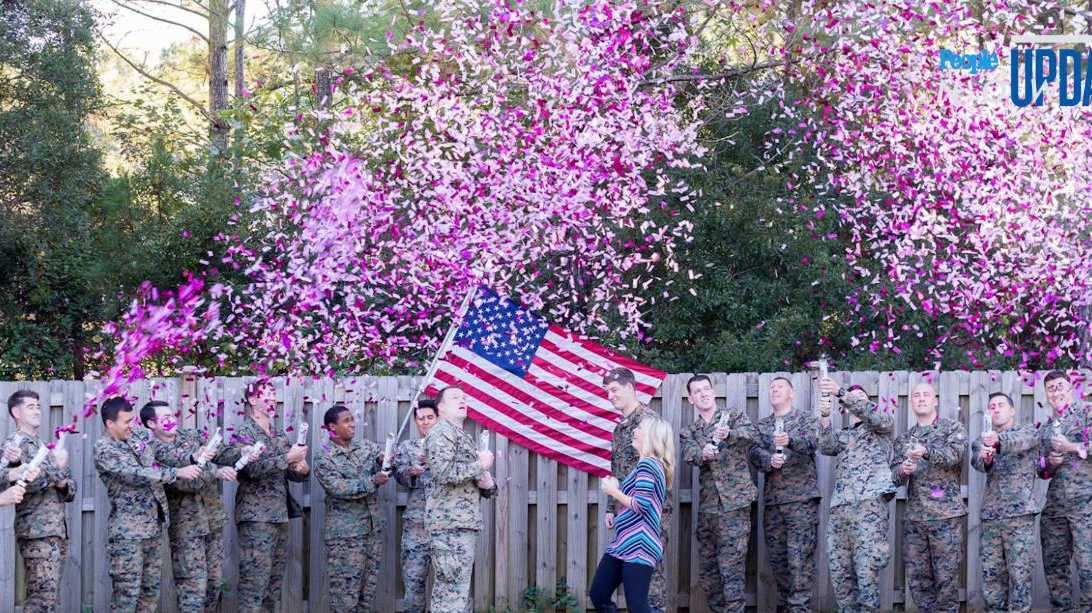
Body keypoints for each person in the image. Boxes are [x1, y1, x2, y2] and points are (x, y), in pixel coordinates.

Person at [94, 396, 203, 613]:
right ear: (110, 424)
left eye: (132, 420)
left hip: (152, 528)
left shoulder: (134, 438)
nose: (131, 426)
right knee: (127, 597)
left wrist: (189, 458)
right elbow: (136, 473)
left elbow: (156, 457)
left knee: (149, 596)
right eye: (126, 422)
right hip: (128, 534)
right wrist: (176, 472)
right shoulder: (104, 448)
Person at [141, 400, 244, 613]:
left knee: (215, 583)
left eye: (172, 415)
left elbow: (222, 451)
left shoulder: (193, 436)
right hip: (186, 528)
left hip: (212, 518)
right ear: (151, 424)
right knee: (192, 588)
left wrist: (244, 451)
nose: (171, 420)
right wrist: (214, 470)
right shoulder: (153, 450)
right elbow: (187, 478)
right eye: (165, 418)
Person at [679, 374, 756, 612]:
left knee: (731, 570)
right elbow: (689, 453)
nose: (703, 394)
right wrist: (704, 453)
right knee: (710, 572)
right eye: (697, 391)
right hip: (708, 509)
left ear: (713, 392)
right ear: (691, 399)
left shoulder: (733, 417)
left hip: (735, 505)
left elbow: (751, 436)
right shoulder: (689, 430)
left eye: (706, 389)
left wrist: (729, 435)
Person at [818, 379, 895, 613]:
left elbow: (876, 417)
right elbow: (825, 445)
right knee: (840, 572)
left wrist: (841, 392)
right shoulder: (843, 435)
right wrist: (824, 417)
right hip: (841, 509)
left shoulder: (881, 427)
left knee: (867, 572)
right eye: (853, 398)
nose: (857, 400)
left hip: (869, 508)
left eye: (861, 398)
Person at [234, 380, 310, 613]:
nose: (273, 400)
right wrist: (288, 458)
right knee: (254, 584)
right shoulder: (244, 433)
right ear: (253, 400)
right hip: (256, 517)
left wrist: (301, 469)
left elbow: (291, 474)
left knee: (272, 586)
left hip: (279, 515)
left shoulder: (277, 435)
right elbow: (251, 469)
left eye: (274, 395)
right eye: (267, 395)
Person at [891, 383, 967, 613]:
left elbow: (954, 456)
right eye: (916, 395)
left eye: (926, 395)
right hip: (915, 518)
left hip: (946, 517)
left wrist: (925, 451)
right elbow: (893, 477)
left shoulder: (952, 429)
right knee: (918, 580)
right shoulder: (904, 439)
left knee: (946, 579)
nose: (921, 398)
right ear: (912, 402)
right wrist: (903, 470)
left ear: (935, 400)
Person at [748, 376, 819, 613]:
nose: (775, 390)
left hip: (801, 502)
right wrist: (769, 460)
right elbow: (754, 452)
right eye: (772, 387)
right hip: (773, 503)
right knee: (779, 564)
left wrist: (790, 441)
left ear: (792, 393)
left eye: (780, 387)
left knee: (800, 563)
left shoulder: (805, 419)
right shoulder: (762, 425)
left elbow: (813, 443)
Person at [425, 385, 498, 613]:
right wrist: (481, 464)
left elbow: (471, 478)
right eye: (455, 397)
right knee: (450, 595)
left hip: (462, 524)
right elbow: (443, 472)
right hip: (449, 526)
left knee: (456, 593)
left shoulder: (460, 436)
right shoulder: (440, 433)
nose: (462, 400)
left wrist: (489, 484)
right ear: (441, 407)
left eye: (465, 397)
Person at [590, 414, 673, 613]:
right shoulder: (647, 466)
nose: (634, 431)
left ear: (651, 436)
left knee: (638, 607)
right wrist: (619, 515)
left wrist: (614, 492)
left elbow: (642, 505)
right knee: (599, 594)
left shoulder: (649, 465)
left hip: (640, 545)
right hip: (625, 542)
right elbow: (639, 504)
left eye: (639, 429)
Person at [4, 390, 77, 613]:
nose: (37, 410)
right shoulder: (13, 447)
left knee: (49, 597)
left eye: (38, 406)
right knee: (40, 600)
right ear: (16, 412)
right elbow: (23, 485)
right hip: (36, 531)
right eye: (30, 406)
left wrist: (61, 480)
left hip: (55, 531)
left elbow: (70, 487)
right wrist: (57, 470)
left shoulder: (44, 447)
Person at [603, 366, 669, 612]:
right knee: (632, 582)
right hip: (626, 510)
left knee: (650, 580)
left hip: (649, 512)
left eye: (614, 390)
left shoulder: (650, 422)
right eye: (607, 391)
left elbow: (661, 466)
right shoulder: (620, 429)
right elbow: (617, 470)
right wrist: (612, 506)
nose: (610, 395)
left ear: (630, 388)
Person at [315, 404, 391, 612]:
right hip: (345, 536)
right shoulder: (324, 457)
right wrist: (373, 481)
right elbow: (339, 488)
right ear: (332, 427)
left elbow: (384, 458)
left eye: (352, 419)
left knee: (366, 594)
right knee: (344, 598)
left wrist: (387, 458)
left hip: (372, 531)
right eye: (346, 420)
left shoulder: (365, 447)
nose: (352, 424)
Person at [971, 392, 1039, 613]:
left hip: (1019, 517)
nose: (996, 408)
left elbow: (1020, 442)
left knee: (1020, 575)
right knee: (991, 575)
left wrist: (998, 442)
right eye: (992, 406)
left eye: (1001, 405)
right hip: (991, 517)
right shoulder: (981, 440)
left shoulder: (1027, 432)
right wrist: (986, 457)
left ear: (1012, 410)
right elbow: (978, 463)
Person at [1037, 370, 1092, 611]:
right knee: (1054, 564)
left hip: (1086, 504)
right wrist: (1050, 462)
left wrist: (1071, 447)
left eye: (1060, 386)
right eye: (1051, 389)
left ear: (1071, 388)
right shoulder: (1047, 428)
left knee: (1088, 565)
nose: (1056, 392)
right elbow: (1040, 469)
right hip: (1056, 507)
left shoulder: (1087, 413)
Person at [394, 398, 439, 613]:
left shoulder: (450, 446)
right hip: (417, 524)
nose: (425, 422)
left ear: (438, 418)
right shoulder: (407, 447)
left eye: (430, 417)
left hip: (446, 523)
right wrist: (411, 472)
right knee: (413, 583)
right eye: (420, 418)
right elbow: (399, 476)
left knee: (449, 584)